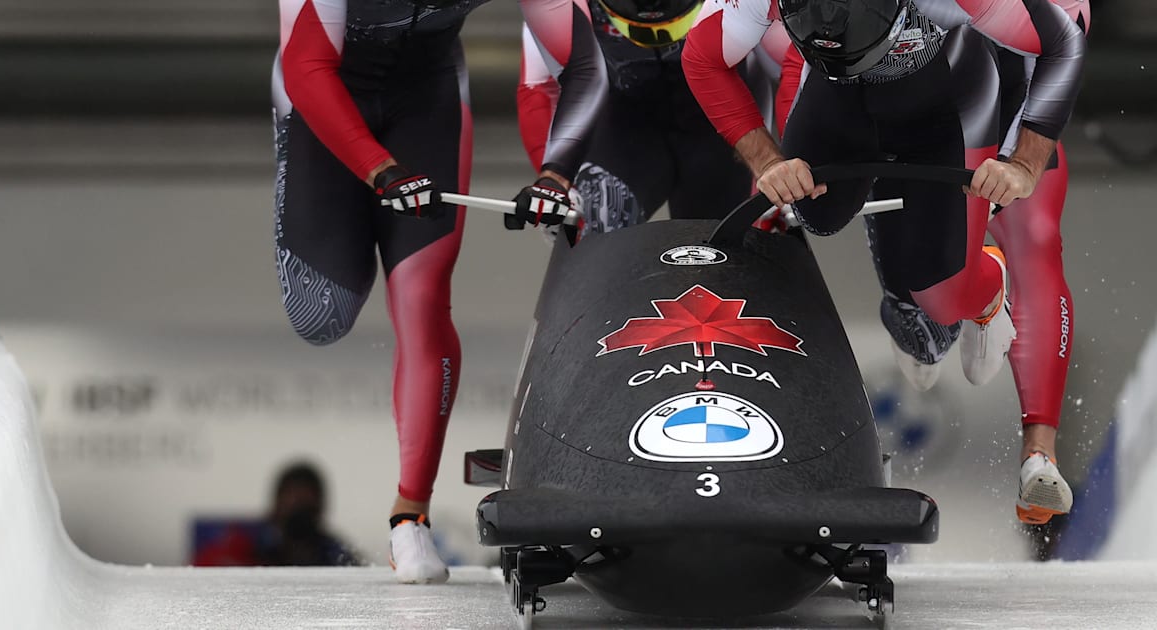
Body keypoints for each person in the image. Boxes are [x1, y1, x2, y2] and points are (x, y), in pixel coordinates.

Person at [683, 0, 1084, 519]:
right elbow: (701, 57)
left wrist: (1024, 161)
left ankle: (983, 292)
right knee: (814, 210)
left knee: (946, 292)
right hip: (838, 92)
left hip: (950, 101)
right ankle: (910, 270)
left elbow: (1062, 42)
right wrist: (769, 161)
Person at [273, 0, 606, 583]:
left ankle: (410, 516)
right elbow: (307, 66)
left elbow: (586, 65)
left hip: (427, 94)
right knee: (319, 313)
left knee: (422, 299)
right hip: (319, 84)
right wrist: (379, 169)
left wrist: (556, 173)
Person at [517, 0, 784, 233]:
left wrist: (783, 168)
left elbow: (791, 71)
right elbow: (538, 90)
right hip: (624, 133)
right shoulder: (557, 8)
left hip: (719, 137)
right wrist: (557, 185)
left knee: (730, 249)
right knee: (600, 219)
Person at [194, 461, 358, 567]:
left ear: (321, 508)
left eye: (307, 506)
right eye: (294, 502)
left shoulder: (335, 553)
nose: (300, 512)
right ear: (276, 504)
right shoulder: (243, 543)